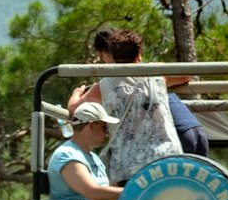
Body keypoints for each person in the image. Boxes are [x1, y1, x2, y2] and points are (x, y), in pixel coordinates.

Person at [68, 28, 180, 184]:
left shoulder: (105, 85)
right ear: (139, 53)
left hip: (128, 165)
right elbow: (187, 75)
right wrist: (159, 66)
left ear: (112, 54)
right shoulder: (157, 74)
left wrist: (76, 93)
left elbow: (74, 108)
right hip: (168, 159)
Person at [46, 101, 121, 200]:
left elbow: (107, 189)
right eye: (104, 128)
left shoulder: (94, 158)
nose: (107, 133)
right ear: (91, 126)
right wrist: (133, 193)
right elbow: (94, 194)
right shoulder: (67, 154)